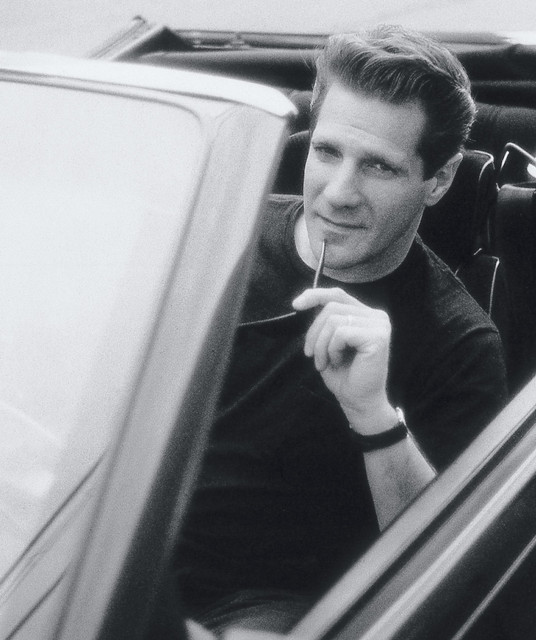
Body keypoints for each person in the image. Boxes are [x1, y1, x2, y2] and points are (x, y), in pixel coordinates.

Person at [174, 24, 508, 634]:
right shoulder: (217, 229)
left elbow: (445, 571)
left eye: (378, 166)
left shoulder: (461, 344)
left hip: (263, 605)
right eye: (327, 152)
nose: (339, 192)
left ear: (438, 180)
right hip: (118, 538)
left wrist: (372, 415)